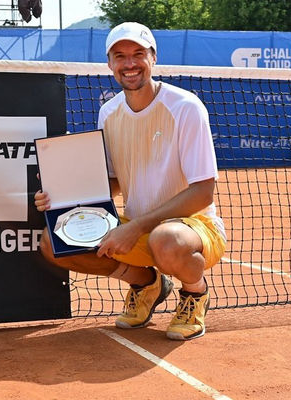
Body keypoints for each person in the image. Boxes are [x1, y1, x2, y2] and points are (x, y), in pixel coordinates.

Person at [34, 22, 226, 340]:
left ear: (153, 58)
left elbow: (203, 192)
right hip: (139, 230)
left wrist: (135, 228)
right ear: (110, 63)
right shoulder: (108, 114)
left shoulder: (186, 108)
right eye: (120, 56)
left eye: (138, 54)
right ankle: (145, 283)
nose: (130, 63)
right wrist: (61, 193)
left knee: (165, 239)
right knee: (52, 242)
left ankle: (195, 294)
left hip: (194, 230)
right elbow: (111, 183)